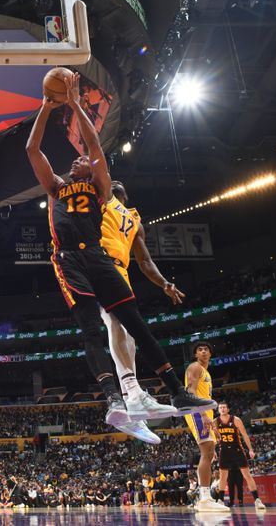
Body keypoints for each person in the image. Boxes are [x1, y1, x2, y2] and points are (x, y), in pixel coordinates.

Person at [26, 72, 215, 425]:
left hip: (98, 256)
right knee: (91, 330)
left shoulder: (101, 187)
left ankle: (176, 391)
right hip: (69, 259)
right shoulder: (55, 187)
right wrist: (45, 109)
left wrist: (73, 104)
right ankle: (114, 398)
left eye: (81, 160)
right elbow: (32, 150)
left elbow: (94, 145)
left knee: (135, 325)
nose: (76, 160)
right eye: (75, 161)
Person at [99, 180, 184, 443]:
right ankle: (131, 393)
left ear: (125, 195)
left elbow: (145, 261)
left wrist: (164, 283)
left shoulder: (133, 219)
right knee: (114, 322)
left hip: (120, 273)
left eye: (117, 185)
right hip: (97, 266)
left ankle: (133, 403)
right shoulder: (101, 202)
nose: (113, 184)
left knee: (130, 336)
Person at [184, 342, 229, 511]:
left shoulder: (206, 371)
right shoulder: (195, 367)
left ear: (210, 354)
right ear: (196, 354)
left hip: (205, 413)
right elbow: (190, 392)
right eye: (200, 350)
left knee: (209, 453)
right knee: (206, 451)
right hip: (197, 411)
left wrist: (212, 421)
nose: (203, 351)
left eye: (206, 349)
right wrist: (203, 415)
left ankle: (205, 497)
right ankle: (204, 498)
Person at [212, 401, 266, 510]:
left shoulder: (236, 420)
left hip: (237, 450)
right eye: (220, 407)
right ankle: (221, 500)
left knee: (247, 475)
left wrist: (250, 450)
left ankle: (257, 500)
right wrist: (213, 451)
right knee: (223, 477)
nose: (222, 409)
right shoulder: (215, 422)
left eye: (224, 407)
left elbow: (245, 435)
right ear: (218, 410)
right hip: (224, 451)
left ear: (228, 409)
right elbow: (213, 439)